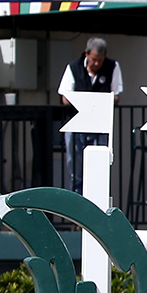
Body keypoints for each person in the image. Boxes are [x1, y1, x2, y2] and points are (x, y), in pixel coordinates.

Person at [58, 38, 122, 193]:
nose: (96, 64)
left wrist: (98, 102)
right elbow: (65, 98)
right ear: (87, 54)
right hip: (75, 125)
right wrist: (86, 102)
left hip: (100, 127)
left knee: (99, 169)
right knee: (76, 169)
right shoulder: (73, 68)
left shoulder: (112, 67)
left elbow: (116, 96)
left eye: (100, 60)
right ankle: (76, 206)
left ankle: (96, 204)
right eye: (94, 60)